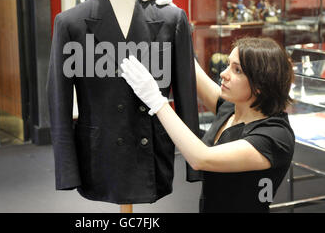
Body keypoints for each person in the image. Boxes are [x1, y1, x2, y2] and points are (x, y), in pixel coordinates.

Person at [120, 37, 295, 213]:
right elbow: (191, 67)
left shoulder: (274, 136)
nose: (224, 74)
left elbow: (201, 158)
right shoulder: (231, 109)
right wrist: (177, 26)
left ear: (260, 84)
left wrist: (156, 102)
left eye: (237, 70)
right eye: (228, 65)